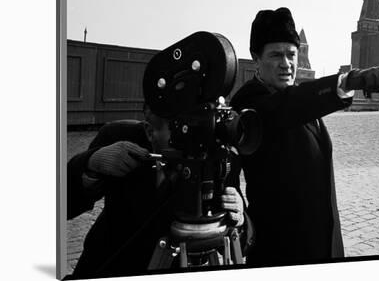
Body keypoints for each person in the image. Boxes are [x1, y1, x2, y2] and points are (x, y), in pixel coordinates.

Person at [230, 7, 379, 266]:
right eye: (276, 55)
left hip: (323, 243)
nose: (286, 63)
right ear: (256, 58)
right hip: (281, 248)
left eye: (291, 54)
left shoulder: (301, 97)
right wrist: (350, 81)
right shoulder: (250, 102)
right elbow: (286, 108)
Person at [67, 99, 250, 277]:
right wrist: (90, 166)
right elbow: (64, 207)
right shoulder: (118, 137)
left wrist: (239, 220)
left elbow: (242, 242)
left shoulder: (218, 156)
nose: (193, 142)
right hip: (110, 266)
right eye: (181, 129)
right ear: (149, 131)